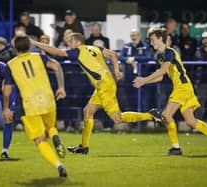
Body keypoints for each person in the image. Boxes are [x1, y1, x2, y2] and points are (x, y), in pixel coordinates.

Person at [31, 32, 163, 154]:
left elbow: (57, 52)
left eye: (70, 41)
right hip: (104, 83)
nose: (68, 44)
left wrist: (36, 43)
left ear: (77, 42)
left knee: (117, 118)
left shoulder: (78, 51)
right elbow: (112, 54)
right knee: (87, 111)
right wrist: (116, 70)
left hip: (104, 85)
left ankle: (150, 115)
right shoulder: (94, 48)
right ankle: (84, 146)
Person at [133, 28, 207, 155]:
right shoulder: (160, 56)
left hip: (182, 88)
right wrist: (144, 82)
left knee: (167, 115)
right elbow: (160, 77)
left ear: (161, 39)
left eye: (153, 40)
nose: (151, 43)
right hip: (184, 87)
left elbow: (162, 71)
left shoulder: (170, 52)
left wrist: (143, 80)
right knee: (190, 121)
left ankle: (176, 148)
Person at [2, 35, 67, 177]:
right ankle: (55, 137)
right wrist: (61, 87)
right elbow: (57, 66)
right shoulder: (39, 56)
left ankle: (59, 165)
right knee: (51, 127)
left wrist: (6, 108)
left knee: (40, 140)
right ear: (29, 46)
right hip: (48, 100)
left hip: (29, 105)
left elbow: (7, 90)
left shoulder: (11, 65)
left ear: (14, 48)